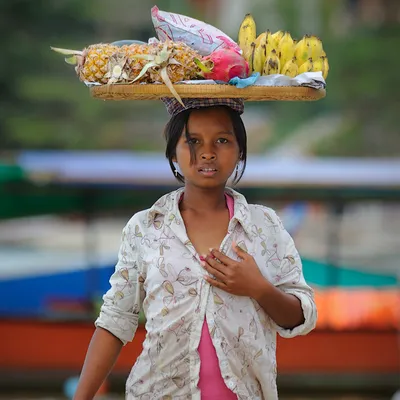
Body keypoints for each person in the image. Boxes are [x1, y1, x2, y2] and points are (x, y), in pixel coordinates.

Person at [73, 97, 317, 400]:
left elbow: (301, 317)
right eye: (193, 141)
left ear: (240, 152)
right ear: (173, 152)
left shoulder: (265, 226)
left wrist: (259, 288)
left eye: (223, 140)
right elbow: (114, 322)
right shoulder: (145, 228)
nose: (207, 152)